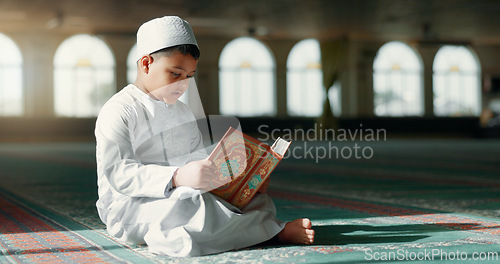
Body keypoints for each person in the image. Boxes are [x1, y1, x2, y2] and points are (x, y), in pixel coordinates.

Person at [94, 16, 314, 257]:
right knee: (193, 204)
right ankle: (274, 233)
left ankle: (252, 227)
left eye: (189, 76)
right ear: (146, 64)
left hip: (184, 192)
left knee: (255, 202)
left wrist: (244, 178)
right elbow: (119, 173)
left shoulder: (182, 111)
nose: (183, 84)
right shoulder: (119, 109)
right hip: (129, 207)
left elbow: (197, 162)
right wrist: (176, 177)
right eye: (176, 74)